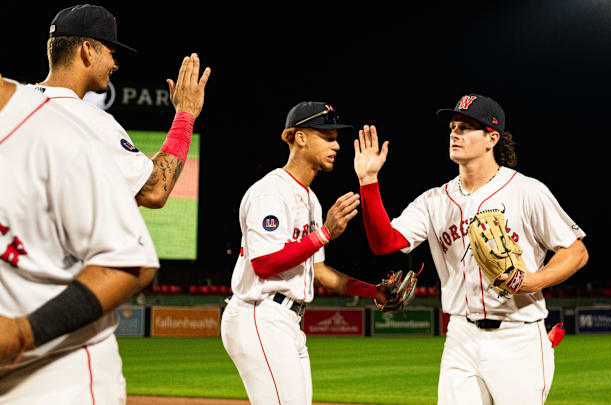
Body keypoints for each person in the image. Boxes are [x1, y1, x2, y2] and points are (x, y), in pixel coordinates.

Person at [353, 93, 589, 404]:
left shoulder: (527, 191)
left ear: (492, 138)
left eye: (465, 127)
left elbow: (576, 252)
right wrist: (369, 181)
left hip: (517, 336)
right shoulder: (434, 200)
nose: (455, 133)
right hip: (461, 336)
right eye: (453, 127)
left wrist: (531, 281)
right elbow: (384, 243)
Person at [0, 74, 159, 403]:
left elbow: (130, 261)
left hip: (50, 376)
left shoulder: (58, 134)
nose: (116, 64)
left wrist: (22, 333)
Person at [221, 102, 390, 405]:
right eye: (327, 137)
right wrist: (324, 233)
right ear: (300, 138)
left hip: (288, 321)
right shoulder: (272, 192)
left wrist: (373, 292)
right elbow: (263, 264)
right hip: (259, 313)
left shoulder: (311, 199)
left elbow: (321, 272)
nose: (336, 144)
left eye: (336, 137)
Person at [33, 4, 211, 208]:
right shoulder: (91, 123)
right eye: (112, 53)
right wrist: (185, 114)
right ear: (87, 51)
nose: (115, 65)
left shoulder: (12, 102)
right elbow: (154, 190)